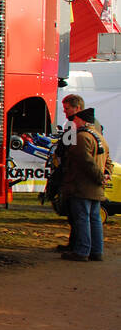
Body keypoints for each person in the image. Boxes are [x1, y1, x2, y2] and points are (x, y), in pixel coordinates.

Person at [59, 107, 110, 262]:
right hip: (96, 187)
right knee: (94, 218)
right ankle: (97, 251)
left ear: (81, 120)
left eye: (75, 120)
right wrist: (105, 175)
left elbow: (85, 162)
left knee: (82, 218)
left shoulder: (81, 137)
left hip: (82, 185)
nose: (73, 122)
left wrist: (99, 177)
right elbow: (108, 160)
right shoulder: (99, 137)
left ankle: (82, 251)